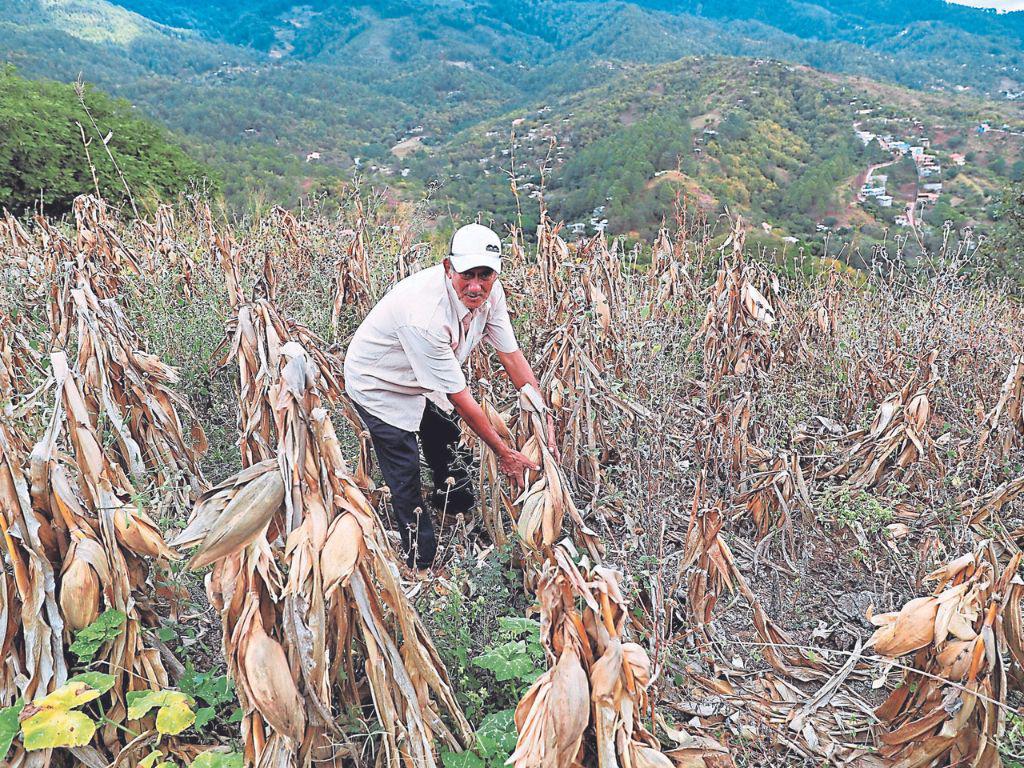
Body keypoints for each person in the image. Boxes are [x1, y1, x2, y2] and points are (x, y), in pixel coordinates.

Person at [343, 223, 557, 572]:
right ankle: (421, 561)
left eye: (485, 275)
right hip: (379, 383)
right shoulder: (426, 316)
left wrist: (541, 413)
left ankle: (455, 508)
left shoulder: (491, 294)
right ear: (448, 268)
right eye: (466, 275)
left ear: (496, 272)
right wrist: (504, 453)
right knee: (404, 470)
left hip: (423, 378)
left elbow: (512, 357)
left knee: (446, 437)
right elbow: (461, 399)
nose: (476, 286)